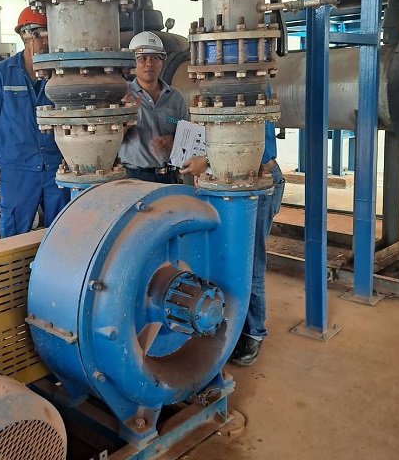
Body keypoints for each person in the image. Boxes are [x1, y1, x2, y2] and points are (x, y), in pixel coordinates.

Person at [180, 120, 285, 366]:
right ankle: (230, 325)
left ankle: (253, 333)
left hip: (256, 177)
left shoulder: (251, 98)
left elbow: (251, 147)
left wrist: (207, 160)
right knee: (224, 257)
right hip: (224, 176)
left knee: (250, 259)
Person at [0, 6, 70, 237]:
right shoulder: (0, 74)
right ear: (23, 35)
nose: (45, 41)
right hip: (17, 168)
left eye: (50, 34)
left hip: (56, 165)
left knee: (61, 232)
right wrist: (0, 162)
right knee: (14, 232)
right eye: (39, 34)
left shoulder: (61, 76)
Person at [119, 31, 188, 183]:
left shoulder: (175, 97)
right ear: (133, 63)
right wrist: (126, 118)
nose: (149, 63)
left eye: (155, 58)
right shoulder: (123, 96)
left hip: (169, 177)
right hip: (133, 177)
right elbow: (110, 143)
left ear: (161, 63)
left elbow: (187, 137)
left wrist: (172, 140)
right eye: (142, 58)